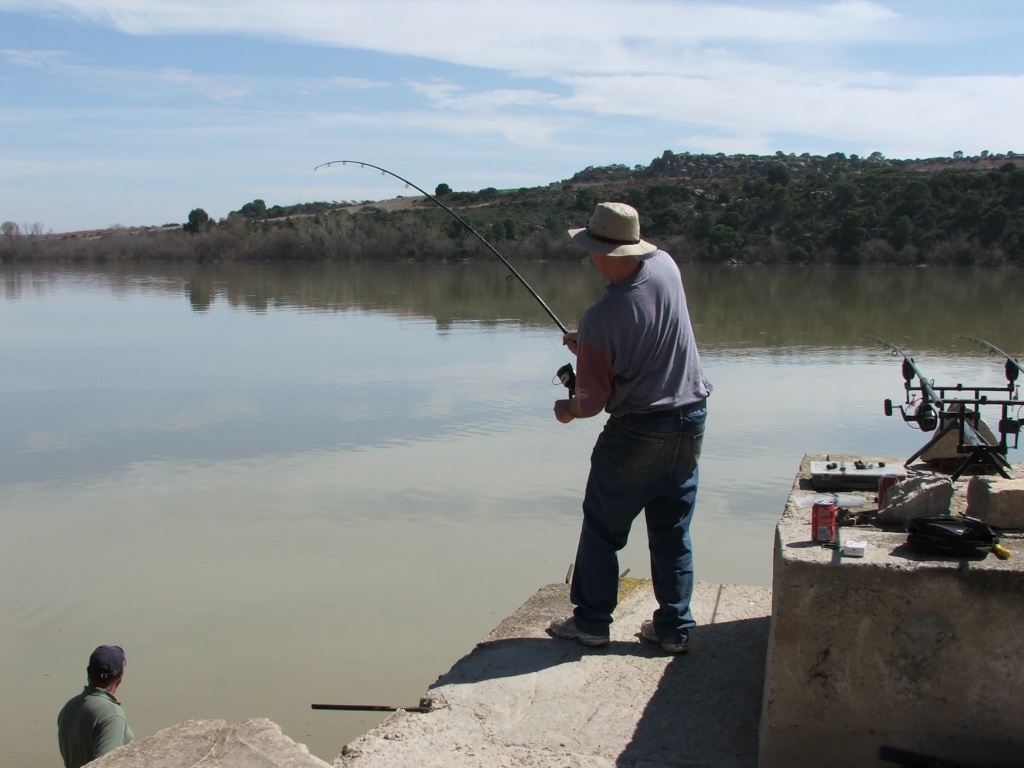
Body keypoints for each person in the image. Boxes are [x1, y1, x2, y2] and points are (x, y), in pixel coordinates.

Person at [548, 202, 712, 654]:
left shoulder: (602, 317)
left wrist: (566, 408)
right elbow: (646, 326)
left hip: (637, 430)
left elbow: (592, 404)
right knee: (672, 529)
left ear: (598, 253)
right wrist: (589, 345)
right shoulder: (665, 266)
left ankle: (592, 624)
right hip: (691, 419)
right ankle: (674, 628)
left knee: (602, 529)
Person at [57, 645, 135, 768]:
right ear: (121, 674)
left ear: (89, 671)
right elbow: (107, 764)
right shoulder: (112, 714)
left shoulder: (69, 707)